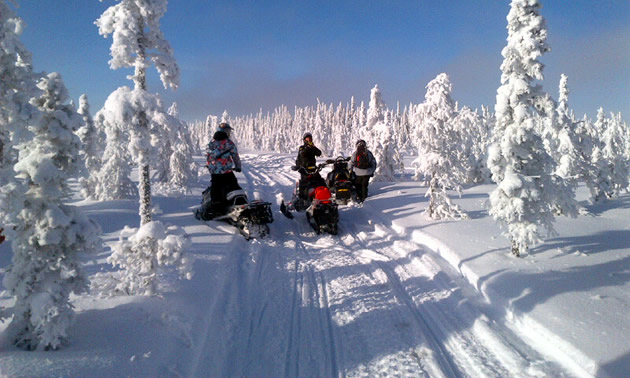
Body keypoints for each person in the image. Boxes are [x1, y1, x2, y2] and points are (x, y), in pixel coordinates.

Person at [203, 122, 242, 218]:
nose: (229, 133)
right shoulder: (229, 143)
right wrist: (238, 167)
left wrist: (210, 166)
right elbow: (235, 156)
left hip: (215, 172)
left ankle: (215, 207)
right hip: (227, 170)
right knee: (234, 184)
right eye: (228, 131)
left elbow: (208, 155)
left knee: (215, 187)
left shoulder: (211, 143)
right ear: (224, 131)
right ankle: (238, 202)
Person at [292, 132, 326, 208]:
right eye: (308, 138)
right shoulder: (302, 148)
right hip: (304, 170)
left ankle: (324, 198)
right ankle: (302, 201)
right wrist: (308, 147)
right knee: (304, 184)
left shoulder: (312, 147)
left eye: (310, 138)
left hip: (313, 169)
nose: (309, 140)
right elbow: (302, 155)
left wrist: (313, 147)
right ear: (304, 140)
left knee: (321, 182)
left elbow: (319, 153)